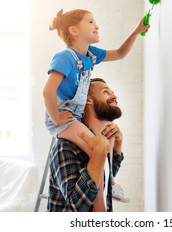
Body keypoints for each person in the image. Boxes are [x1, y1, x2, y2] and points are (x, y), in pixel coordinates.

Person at [43, 9, 148, 209]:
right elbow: (47, 91)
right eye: (91, 21)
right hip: (64, 119)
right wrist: (56, 118)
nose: (97, 25)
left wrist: (136, 31)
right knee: (96, 148)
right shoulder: (64, 57)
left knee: (100, 148)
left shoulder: (90, 55)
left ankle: (110, 189)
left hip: (74, 117)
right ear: (73, 31)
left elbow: (119, 53)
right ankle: (107, 199)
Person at [48, 78, 125, 212]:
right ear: (87, 99)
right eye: (106, 92)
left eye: (112, 92)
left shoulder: (101, 140)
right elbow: (77, 206)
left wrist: (118, 143)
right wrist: (98, 154)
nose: (114, 96)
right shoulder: (65, 146)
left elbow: (106, 175)